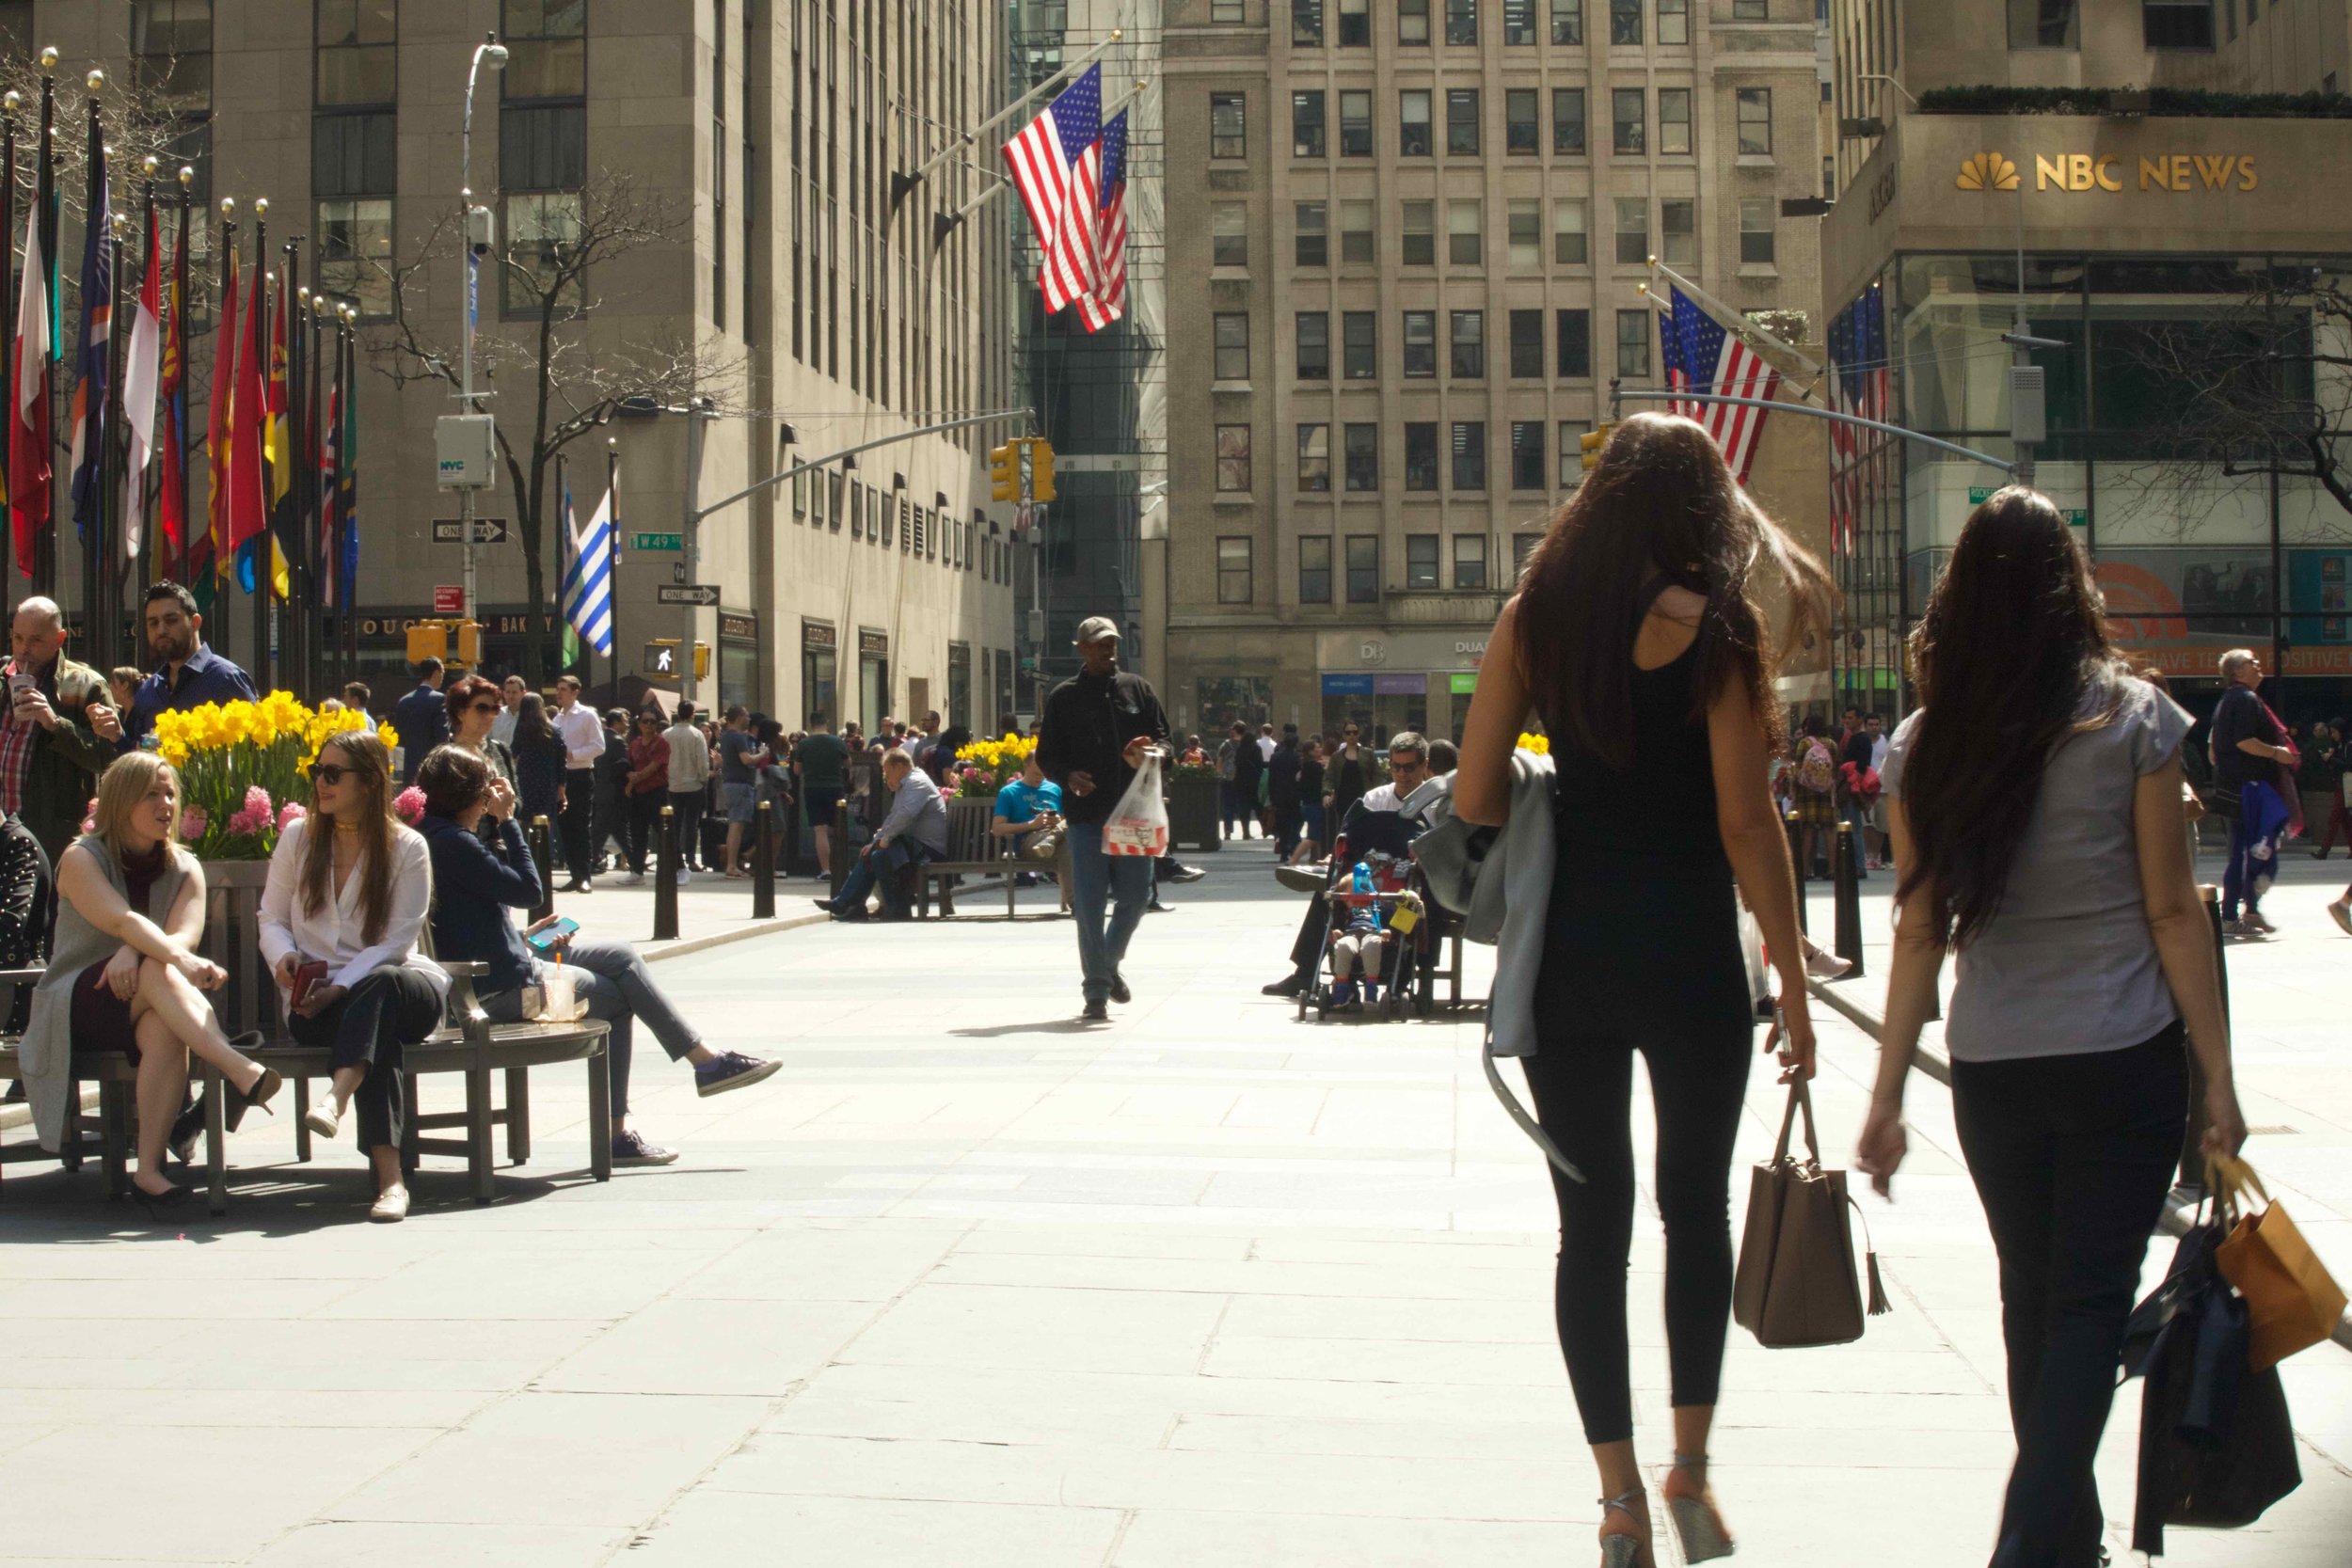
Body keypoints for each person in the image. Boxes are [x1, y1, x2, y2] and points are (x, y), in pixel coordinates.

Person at [1452, 413, 1826, 1568]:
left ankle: (1614, 1497)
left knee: (1590, 1232)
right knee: (1694, 1208)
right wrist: (1795, 976)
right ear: (1699, 509)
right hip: (1688, 957)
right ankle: (1690, 1463)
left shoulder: (1534, 619)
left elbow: (1470, 798)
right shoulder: (1717, 630)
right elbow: (1743, 818)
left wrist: (1542, 772)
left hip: (1572, 954)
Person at [1852, 488, 2242, 1568]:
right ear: (2070, 587)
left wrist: (1886, 1094)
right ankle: (2030, 1543)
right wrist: (2216, 1078)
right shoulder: (2132, 719)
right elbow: (2172, 909)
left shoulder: (1924, 744)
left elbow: (1918, 926)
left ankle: (2065, 1542)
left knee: (2033, 1301)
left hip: (1993, 1067)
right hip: (2122, 1056)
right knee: (2082, 1305)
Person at [414, 746, 779, 1167]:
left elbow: (466, 920)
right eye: (487, 790)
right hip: (502, 991)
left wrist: (524, 936)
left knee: (621, 955)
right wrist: (510, 822)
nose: (493, 798)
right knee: (617, 996)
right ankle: (624, 1127)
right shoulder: (454, 843)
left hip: (505, 965)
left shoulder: (438, 836)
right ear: (471, 795)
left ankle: (705, 1063)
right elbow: (529, 890)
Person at [19, 752, 281, 1212]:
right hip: (77, 1003)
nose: (167, 804)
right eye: (152, 794)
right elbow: (121, 920)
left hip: (151, 996)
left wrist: (140, 953)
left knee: (163, 1023)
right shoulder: (81, 858)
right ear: (121, 803)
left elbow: (183, 933)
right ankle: (236, 1067)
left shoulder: (185, 866)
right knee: (160, 970)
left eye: (171, 794)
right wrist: (156, 954)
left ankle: (148, 1172)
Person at [265, 733, 446, 1223]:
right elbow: (271, 920)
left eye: (332, 773)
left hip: (405, 988)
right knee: (373, 1032)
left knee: (380, 986)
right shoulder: (298, 837)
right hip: (318, 1005)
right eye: (317, 772)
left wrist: (340, 990)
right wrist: (283, 958)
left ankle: (335, 1097)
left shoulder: (408, 847)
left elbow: (396, 942)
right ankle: (391, 1181)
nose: (320, 783)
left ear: (368, 782)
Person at [1037, 616, 1169, 1020]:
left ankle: (1107, 965)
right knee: (1090, 903)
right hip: (1087, 816)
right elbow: (1046, 756)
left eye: (1111, 643)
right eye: (1098, 644)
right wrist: (1067, 777)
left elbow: (1165, 739)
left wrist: (1156, 752)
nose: (1108, 650)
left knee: (1136, 897)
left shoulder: (1138, 689)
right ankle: (1095, 990)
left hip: (1134, 815)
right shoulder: (1064, 697)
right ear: (1082, 648)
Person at [1262, 734, 1439, 998]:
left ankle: (1410, 975)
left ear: (1425, 765)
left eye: (1409, 767)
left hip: (1416, 878)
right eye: (1396, 767)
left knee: (1423, 899)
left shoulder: (1437, 803)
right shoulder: (1374, 799)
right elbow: (1353, 839)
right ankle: (1305, 973)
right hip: (1371, 873)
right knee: (1329, 894)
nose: (1402, 774)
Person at [5, 596, 118, 867]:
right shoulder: (3, 679)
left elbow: (107, 759)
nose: (23, 650)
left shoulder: (85, 685)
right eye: (18, 638)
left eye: (35, 641)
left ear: (59, 639)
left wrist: (55, 724)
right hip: (3, 831)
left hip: (50, 837)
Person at [2207, 647, 2295, 938]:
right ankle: (2229, 915)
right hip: (2247, 789)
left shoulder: (2228, 701)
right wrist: (2277, 753)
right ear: (2237, 672)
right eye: (2251, 662)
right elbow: (2244, 741)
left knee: (2247, 849)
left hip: (2238, 787)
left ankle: (2251, 911)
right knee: (2248, 852)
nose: (2258, 665)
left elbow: (2213, 751)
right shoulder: (2244, 699)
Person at [118, 580, 257, 752]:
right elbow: (138, 754)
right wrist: (116, 736)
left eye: (171, 620)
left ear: (195, 622)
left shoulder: (226, 679)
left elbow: (254, 756)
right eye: (153, 623)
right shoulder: (149, 689)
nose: (161, 630)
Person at [816, 748, 946, 920]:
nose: (885, 776)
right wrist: (877, 840)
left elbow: (905, 815)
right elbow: (893, 816)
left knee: (879, 856)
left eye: (887, 771)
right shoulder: (906, 783)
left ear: (900, 766)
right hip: (912, 845)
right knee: (871, 852)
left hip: (928, 849)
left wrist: (884, 840)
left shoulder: (917, 782)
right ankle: (851, 905)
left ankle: (894, 908)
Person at [549, 674, 604, 892]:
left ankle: (584, 875)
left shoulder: (587, 715)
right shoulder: (557, 720)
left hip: (581, 774)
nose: (559, 693)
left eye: (563, 689)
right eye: (558, 689)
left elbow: (599, 746)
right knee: (565, 828)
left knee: (580, 827)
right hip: (562, 777)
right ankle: (574, 874)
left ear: (575, 691)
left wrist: (575, 755)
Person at [716, 705, 772, 878]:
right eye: (746, 716)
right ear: (739, 717)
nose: (749, 719)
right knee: (737, 825)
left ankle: (732, 863)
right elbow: (746, 760)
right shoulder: (738, 737)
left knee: (736, 824)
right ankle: (731, 865)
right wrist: (762, 754)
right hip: (740, 784)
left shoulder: (726, 736)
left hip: (732, 783)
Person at [793, 715, 850, 880]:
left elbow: (797, 770)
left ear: (811, 725)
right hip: (835, 787)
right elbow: (848, 763)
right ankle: (841, 867)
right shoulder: (837, 742)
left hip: (813, 788)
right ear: (827, 722)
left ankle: (826, 870)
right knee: (839, 828)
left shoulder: (804, 744)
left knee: (820, 830)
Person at [508, 692, 568, 833]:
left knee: (525, 819)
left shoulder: (522, 729)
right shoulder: (554, 729)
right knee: (546, 821)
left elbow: (514, 753)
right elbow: (562, 761)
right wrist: (562, 788)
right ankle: (546, 852)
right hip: (548, 780)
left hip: (526, 779)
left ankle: (526, 850)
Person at [663, 702, 710, 879]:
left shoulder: (666, 734)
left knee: (674, 823)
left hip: (673, 784)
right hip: (694, 785)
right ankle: (690, 858)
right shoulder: (696, 734)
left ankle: (673, 857)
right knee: (691, 824)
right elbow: (702, 760)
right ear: (692, 714)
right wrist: (703, 778)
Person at [623, 711, 670, 883]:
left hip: (656, 791)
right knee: (637, 833)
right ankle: (636, 871)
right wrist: (629, 776)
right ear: (639, 723)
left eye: (652, 721)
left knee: (664, 831)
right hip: (638, 794)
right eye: (645, 721)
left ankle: (679, 866)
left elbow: (654, 766)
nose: (649, 725)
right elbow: (628, 764)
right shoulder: (634, 744)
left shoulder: (662, 743)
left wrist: (633, 780)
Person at [991, 753, 1063, 863]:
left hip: (1057, 836)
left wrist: (1058, 821)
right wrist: (1032, 825)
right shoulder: (1009, 792)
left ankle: (1052, 839)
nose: (1040, 778)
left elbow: (1065, 820)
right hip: (1029, 839)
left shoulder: (1055, 789)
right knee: (1067, 847)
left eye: (1043, 774)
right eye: (1036, 774)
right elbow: (997, 829)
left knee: (1072, 841)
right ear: (1025, 766)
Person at [389, 657, 451, 784]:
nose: (443, 677)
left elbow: (398, 736)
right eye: (442, 673)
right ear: (436, 673)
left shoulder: (404, 700)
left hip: (409, 766)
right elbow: (441, 736)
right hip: (432, 766)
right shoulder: (439, 699)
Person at [1789, 714, 1837, 877]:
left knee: (1808, 829)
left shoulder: (1804, 743)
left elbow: (1797, 768)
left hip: (1806, 792)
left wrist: (1794, 787)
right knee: (1829, 829)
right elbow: (1836, 767)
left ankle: (1805, 870)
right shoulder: (1831, 744)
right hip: (1826, 792)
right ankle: (1833, 869)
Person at [593, 707, 634, 876]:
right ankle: (634, 860)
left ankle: (593, 858)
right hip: (613, 792)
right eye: (624, 720)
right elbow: (624, 765)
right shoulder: (617, 740)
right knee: (605, 829)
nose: (627, 724)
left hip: (602, 791)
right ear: (616, 723)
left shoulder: (602, 738)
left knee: (607, 830)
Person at [1325, 722, 1370, 827]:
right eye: (1348, 733)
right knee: (1344, 831)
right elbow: (1329, 777)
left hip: (1364, 799)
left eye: (1355, 732)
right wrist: (1326, 793)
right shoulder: (1336, 756)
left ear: (1359, 734)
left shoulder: (1368, 754)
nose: (1352, 735)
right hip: (1343, 801)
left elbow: (1377, 776)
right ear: (1344, 736)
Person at [1268, 726, 1303, 858]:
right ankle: (1292, 845)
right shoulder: (1298, 759)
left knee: (1282, 822)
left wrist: (1272, 796)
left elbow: (1272, 779)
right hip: (1294, 794)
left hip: (1279, 794)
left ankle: (1283, 849)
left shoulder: (1275, 757)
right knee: (1295, 821)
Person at [1295, 737, 1327, 863]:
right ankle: (1294, 859)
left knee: (1314, 833)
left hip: (1307, 803)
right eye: (1316, 748)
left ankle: (1315, 858)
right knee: (1314, 836)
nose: (1320, 749)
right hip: (1314, 803)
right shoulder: (1315, 767)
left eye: (1320, 747)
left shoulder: (1305, 766)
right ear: (1310, 752)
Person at [489, 673, 527, 748]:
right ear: (503, 693)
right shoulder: (496, 715)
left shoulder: (530, 716)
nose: (510, 696)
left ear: (523, 693)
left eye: (514, 692)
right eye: (508, 692)